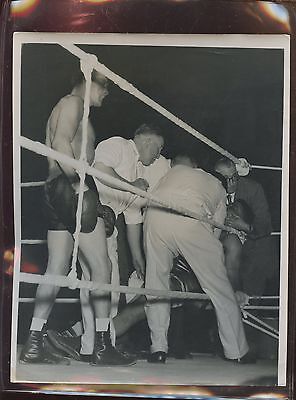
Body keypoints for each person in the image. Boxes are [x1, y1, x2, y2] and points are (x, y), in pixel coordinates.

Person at [20, 69, 135, 366]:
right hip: (70, 186)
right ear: (88, 81)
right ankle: (100, 345)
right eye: (105, 85)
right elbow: (60, 143)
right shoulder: (72, 103)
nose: (107, 92)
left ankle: (33, 343)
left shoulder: (67, 107)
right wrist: (80, 186)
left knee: (56, 267)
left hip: (53, 190)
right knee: (102, 267)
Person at [143, 154, 254, 364]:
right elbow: (214, 235)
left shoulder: (175, 172)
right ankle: (237, 351)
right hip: (190, 217)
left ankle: (158, 348)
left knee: (155, 284)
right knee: (219, 288)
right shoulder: (218, 189)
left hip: (154, 216)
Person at [214, 157, 273, 295]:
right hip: (221, 243)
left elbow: (265, 226)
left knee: (252, 278)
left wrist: (243, 225)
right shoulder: (211, 187)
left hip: (252, 245)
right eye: (225, 178)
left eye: (234, 176)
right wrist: (228, 194)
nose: (231, 181)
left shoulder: (253, 189)